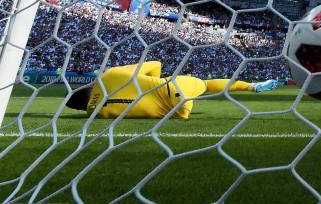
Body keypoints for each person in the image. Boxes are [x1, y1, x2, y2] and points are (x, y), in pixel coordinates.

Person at [65, 61, 280, 119]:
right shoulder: (107, 75)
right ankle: (252, 86)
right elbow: (155, 64)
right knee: (205, 84)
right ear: (87, 88)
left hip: (178, 112)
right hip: (174, 88)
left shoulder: (95, 113)